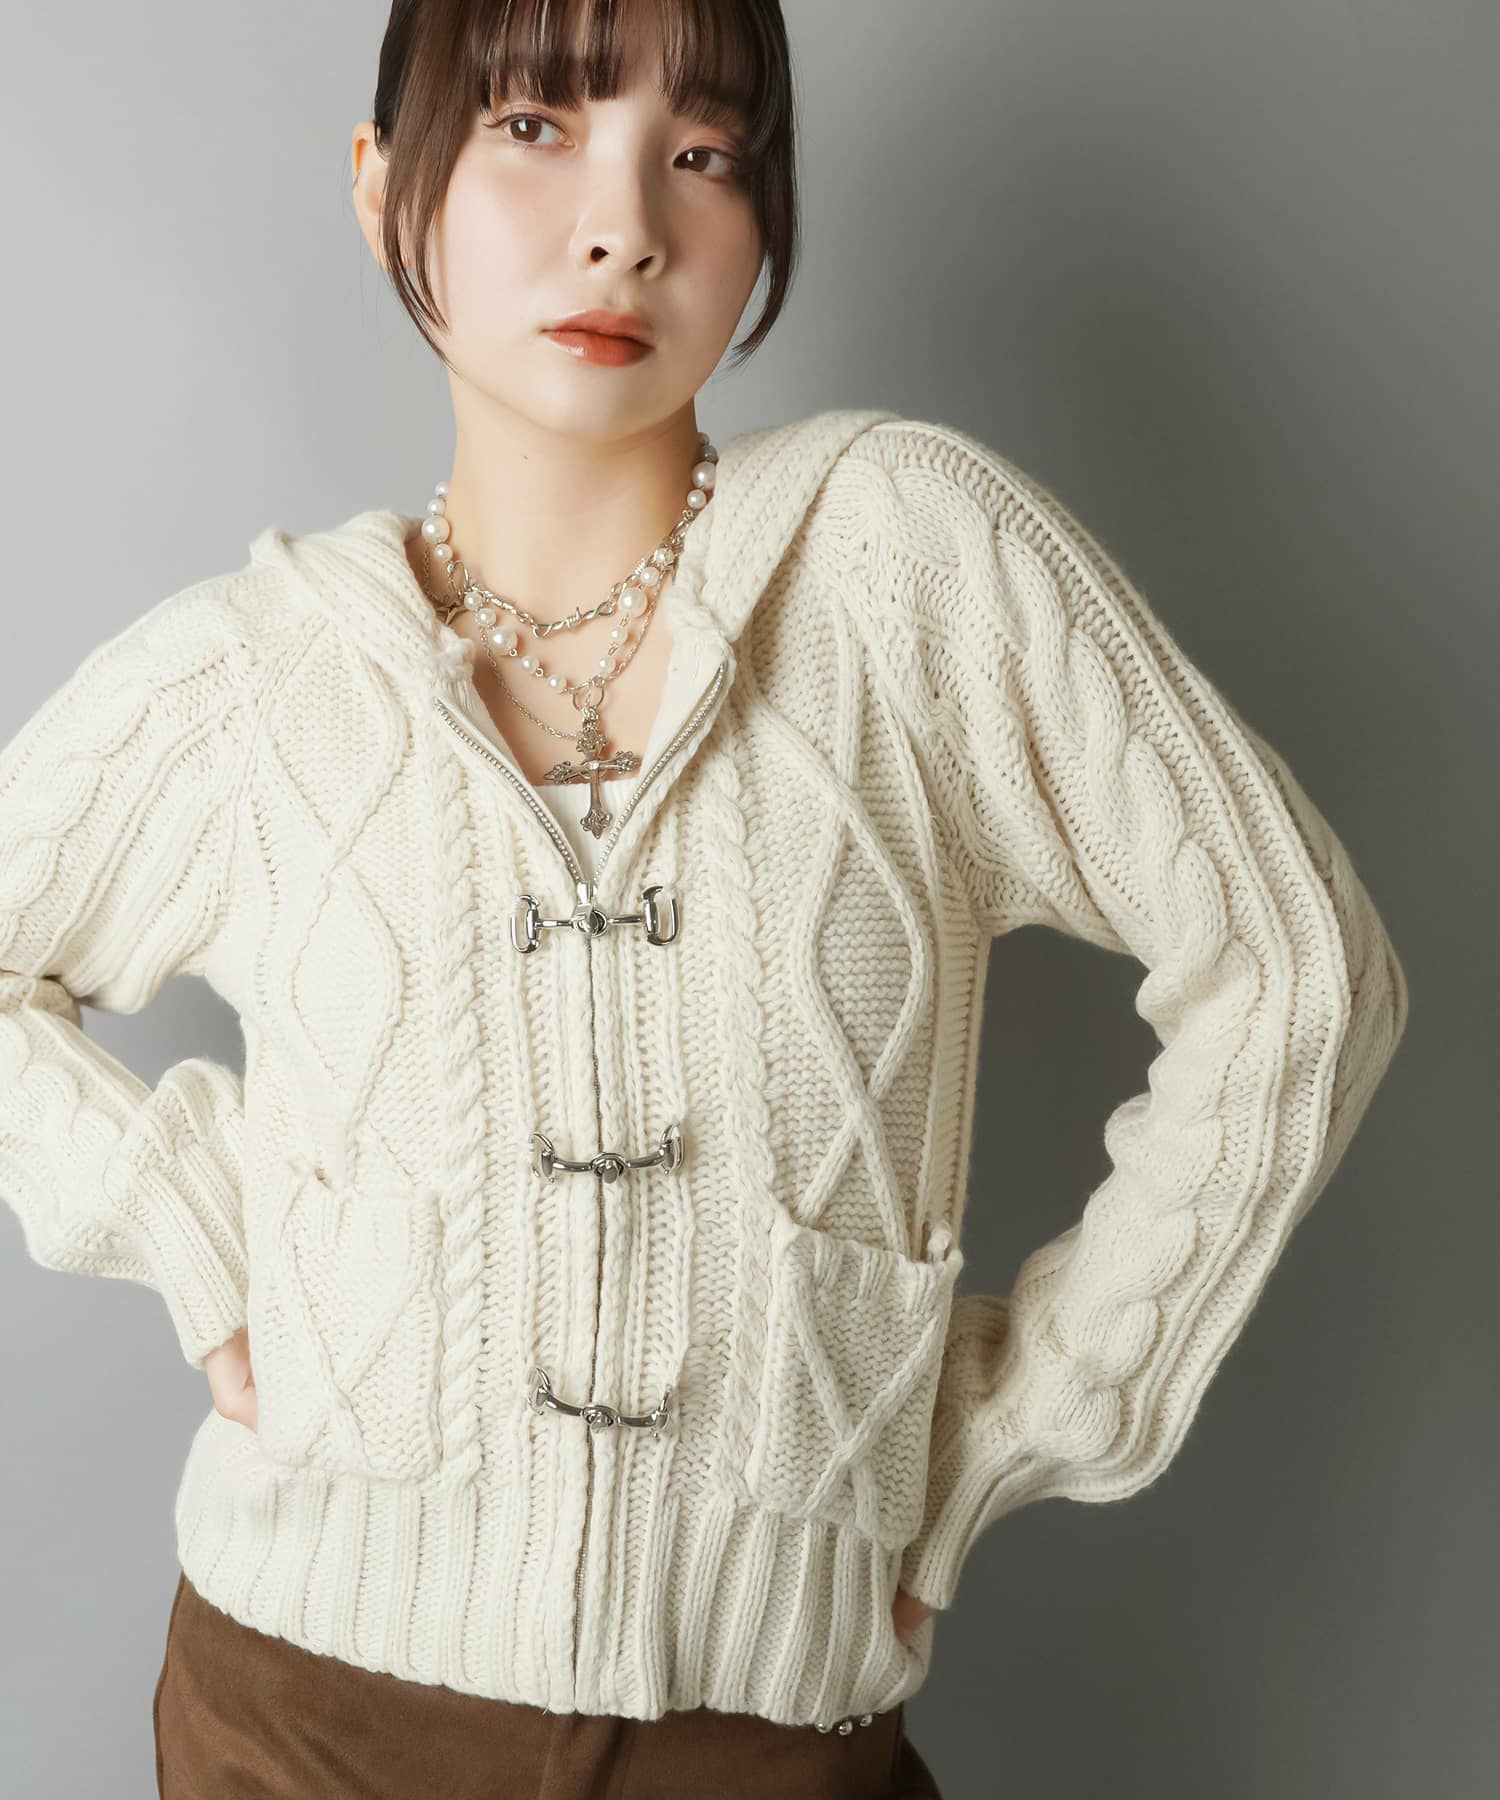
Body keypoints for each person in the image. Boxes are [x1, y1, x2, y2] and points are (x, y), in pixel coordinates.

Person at [0, 2, 1407, 1796]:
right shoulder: (257, 680)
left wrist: (1020, 1422)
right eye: (534, 126)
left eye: (702, 154)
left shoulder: (906, 567)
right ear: (381, 184)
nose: (625, 228)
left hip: (762, 1748)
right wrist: (182, 1218)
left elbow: (1297, 966)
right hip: (297, 1719)